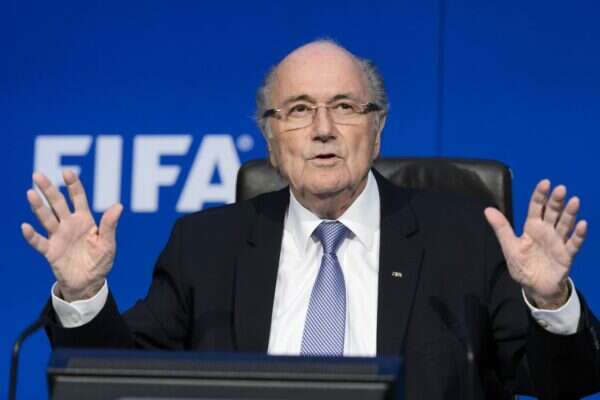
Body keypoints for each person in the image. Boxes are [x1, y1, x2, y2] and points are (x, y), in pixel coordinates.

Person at [23, 40, 599, 399]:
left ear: (377, 130)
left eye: (344, 107)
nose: (323, 129)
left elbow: (565, 383)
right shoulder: (206, 246)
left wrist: (551, 302)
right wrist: (84, 295)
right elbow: (118, 380)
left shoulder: (464, 239)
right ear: (272, 140)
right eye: (299, 110)